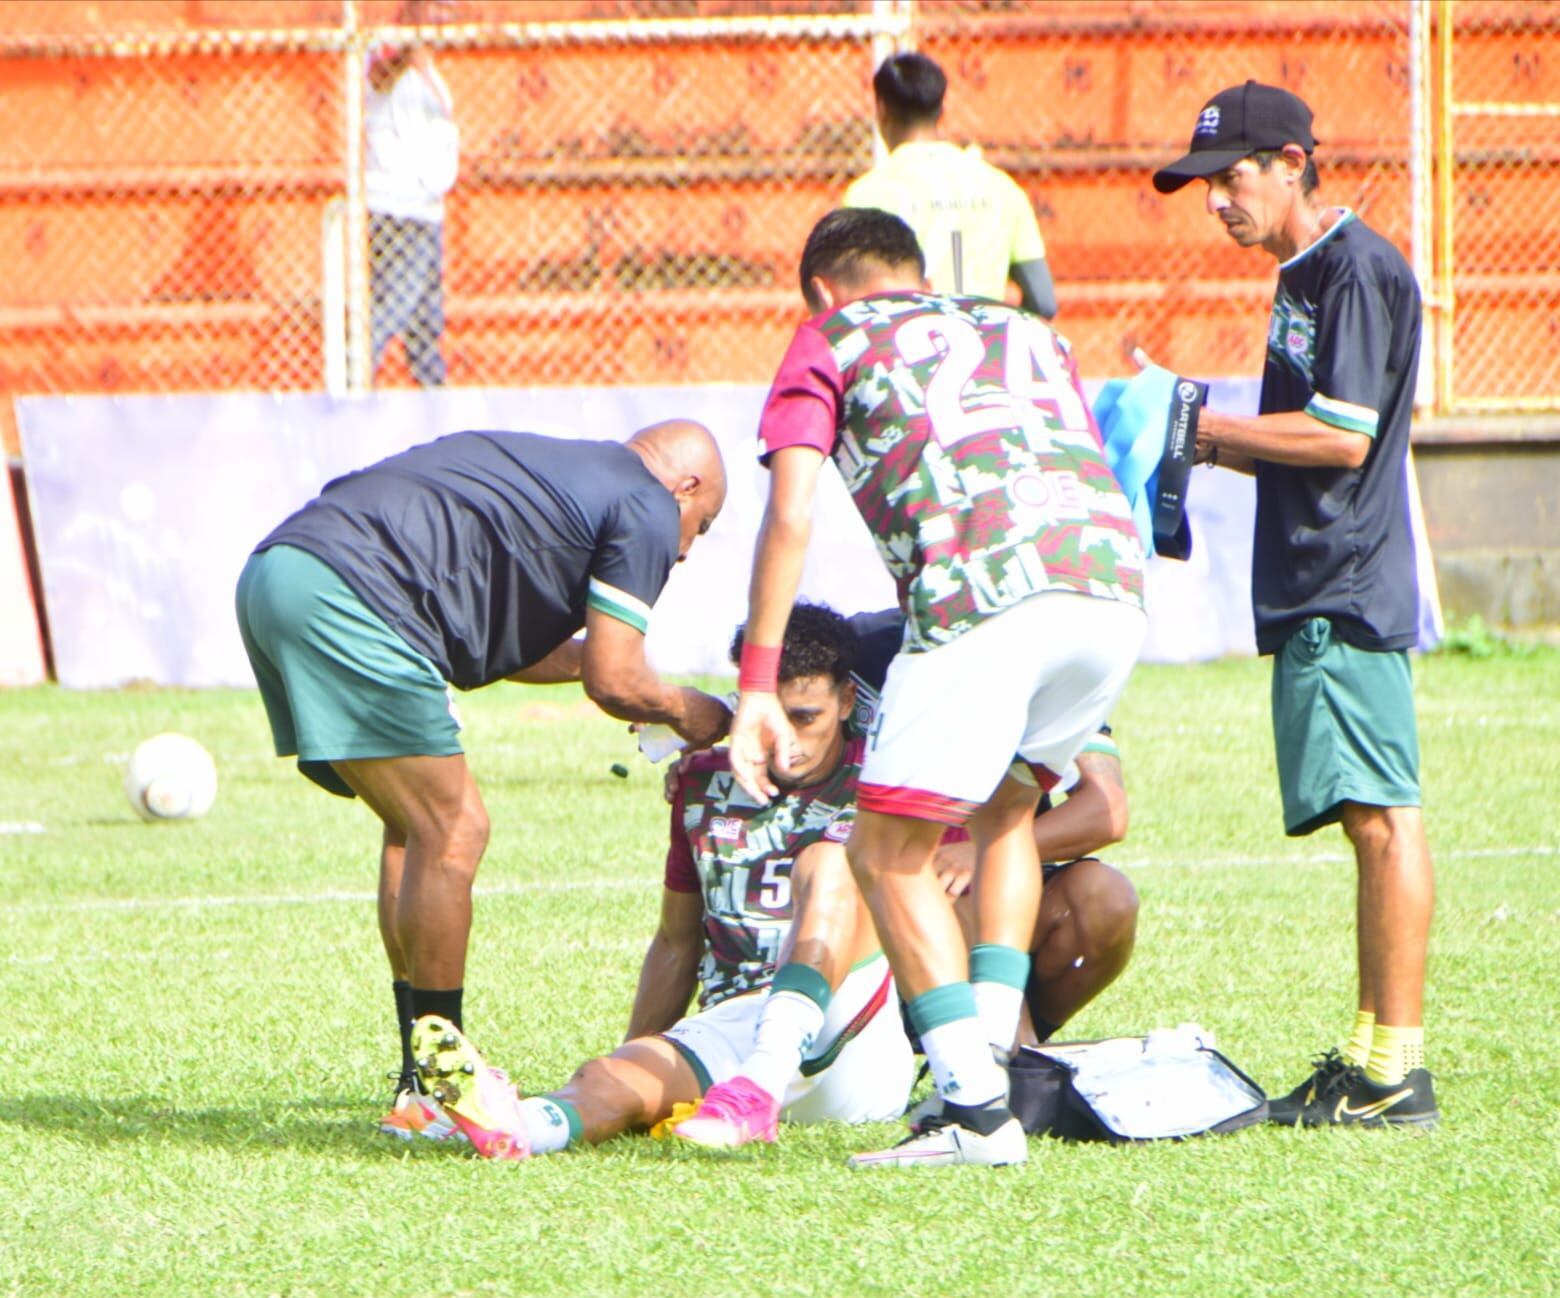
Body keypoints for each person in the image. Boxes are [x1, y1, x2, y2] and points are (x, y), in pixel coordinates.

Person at [722, 208, 1146, 1168]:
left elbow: (790, 510)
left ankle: (973, 1111)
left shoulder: (827, 333)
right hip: (1112, 586)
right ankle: (995, 1061)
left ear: (824, 290)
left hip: (982, 590)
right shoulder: (1026, 326)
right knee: (1005, 810)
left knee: (884, 853)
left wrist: (757, 679)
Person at [234, 422, 732, 1137]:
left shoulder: (558, 475)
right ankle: (447, 1084)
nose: (686, 547)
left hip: (277, 575)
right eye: (702, 524)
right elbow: (617, 679)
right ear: (685, 487)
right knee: (455, 828)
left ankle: (420, 1082)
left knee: (412, 829)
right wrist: (695, 711)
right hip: (355, 597)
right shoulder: (647, 503)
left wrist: (620, 674)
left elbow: (517, 650)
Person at [1153, 81, 1438, 1128]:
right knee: (1367, 821)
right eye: (1203, 187)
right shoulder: (1306, 273)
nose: (1217, 202)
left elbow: (1341, 436)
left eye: (1229, 178)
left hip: (1347, 583)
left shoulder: (1352, 269)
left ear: (1290, 164)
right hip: (1324, 578)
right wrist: (1191, 437)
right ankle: (1368, 1055)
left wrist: (1208, 432)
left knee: (1381, 821)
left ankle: (1394, 1073)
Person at [407, 603, 915, 1159]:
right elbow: (676, 942)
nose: (785, 739)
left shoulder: (887, 779)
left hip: (849, 1037)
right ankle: (518, 1123)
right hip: (733, 1026)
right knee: (613, 1076)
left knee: (831, 865)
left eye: (805, 717)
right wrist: (637, 1058)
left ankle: (762, 1084)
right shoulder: (702, 784)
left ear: (846, 702)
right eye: (769, 715)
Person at [847, 607, 1139, 1048]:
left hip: (999, 874)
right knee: (950, 889)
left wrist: (977, 853)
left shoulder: (1044, 655)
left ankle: (1014, 1046)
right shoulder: (863, 648)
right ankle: (1010, 1056)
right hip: (887, 885)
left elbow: (1106, 810)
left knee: (1105, 897)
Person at [844, 51, 1056, 317]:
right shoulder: (1001, 188)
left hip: (909, 352)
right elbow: (1043, 302)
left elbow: (853, 303)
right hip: (985, 350)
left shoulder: (868, 195)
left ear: (882, 110)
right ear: (941, 109)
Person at [366, 0, 458, 386]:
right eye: (437, 6)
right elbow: (378, 77)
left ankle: (432, 392)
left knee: (426, 316)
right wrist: (408, 49)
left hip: (426, 208)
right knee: (396, 304)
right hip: (398, 206)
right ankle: (355, 372)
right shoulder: (387, 49)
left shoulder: (428, 69)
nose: (445, 17)